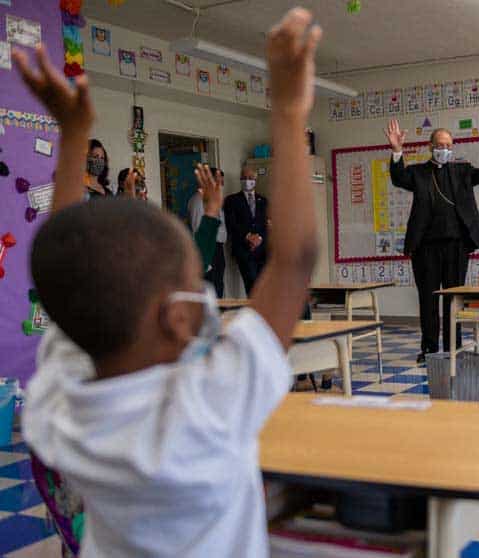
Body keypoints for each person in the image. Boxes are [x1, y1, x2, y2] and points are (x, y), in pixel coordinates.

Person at [18, 8, 321, 557]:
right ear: (175, 316)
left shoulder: (62, 405)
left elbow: (73, 274)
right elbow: (296, 258)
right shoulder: (208, 406)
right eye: (194, 284)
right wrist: (289, 109)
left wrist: (72, 137)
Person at [385, 116, 479, 363]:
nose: (445, 150)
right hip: (425, 248)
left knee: (454, 299)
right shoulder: (418, 173)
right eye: (441, 145)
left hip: (457, 247)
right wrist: (397, 150)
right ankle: (429, 348)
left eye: (449, 145)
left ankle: (453, 347)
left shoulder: (462, 171)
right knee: (427, 299)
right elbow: (398, 178)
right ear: (431, 146)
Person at [224, 164, 268, 295]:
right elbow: (231, 223)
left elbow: (268, 224)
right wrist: (248, 237)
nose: (247, 180)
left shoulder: (263, 201)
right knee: (252, 284)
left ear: (255, 179)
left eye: (250, 177)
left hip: (262, 251)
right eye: (244, 177)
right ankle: (255, 312)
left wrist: (259, 238)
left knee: (263, 284)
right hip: (243, 250)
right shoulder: (232, 200)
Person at [188, 168, 227, 297]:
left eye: (222, 182)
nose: (220, 185)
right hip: (208, 250)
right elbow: (198, 229)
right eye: (217, 181)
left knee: (219, 286)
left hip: (217, 248)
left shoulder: (215, 200)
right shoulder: (198, 201)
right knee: (211, 288)